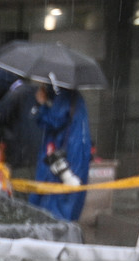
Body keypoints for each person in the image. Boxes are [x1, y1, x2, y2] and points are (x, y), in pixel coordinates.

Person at [28, 84, 91, 222]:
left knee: (57, 207)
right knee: (65, 204)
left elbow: (54, 120)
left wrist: (41, 104)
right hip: (72, 155)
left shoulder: (64, 95)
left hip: (66, 157)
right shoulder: (72, 97)